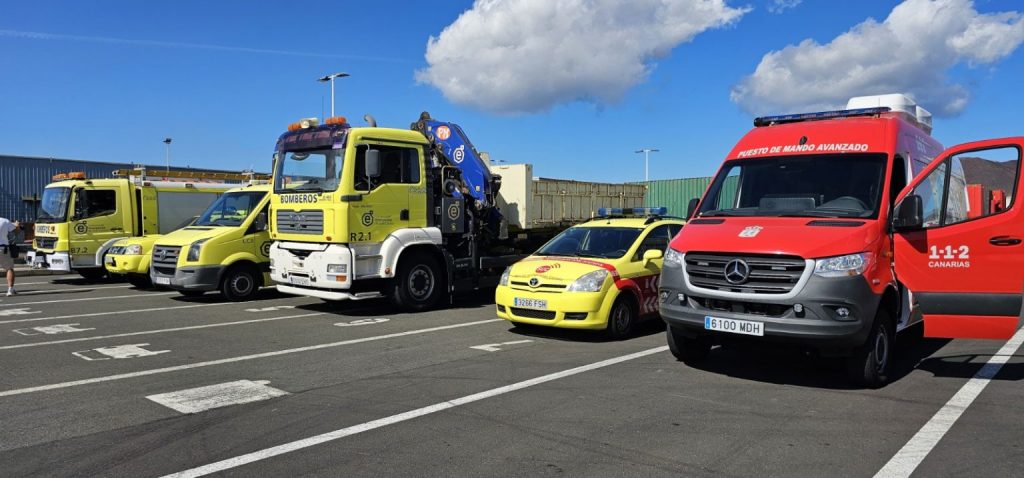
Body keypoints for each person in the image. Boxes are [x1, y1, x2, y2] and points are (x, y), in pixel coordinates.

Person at [0, 217, 19, 296]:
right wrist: (17, 225)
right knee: (9, 269)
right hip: (2, 248)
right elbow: (16, 232)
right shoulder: (4, 221)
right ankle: (10, 289)